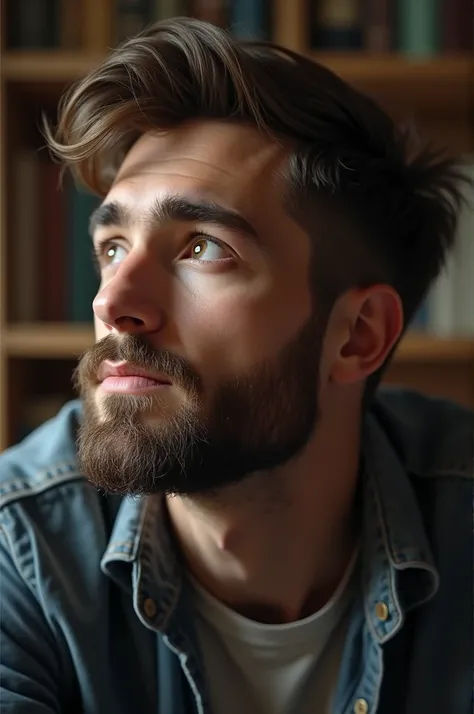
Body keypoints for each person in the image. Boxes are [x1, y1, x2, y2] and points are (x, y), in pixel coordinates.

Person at [0, 17, 472, 714]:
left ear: (358, 337)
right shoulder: (22, 548)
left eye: (202, 248)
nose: (112, 301)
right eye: (112, 247)